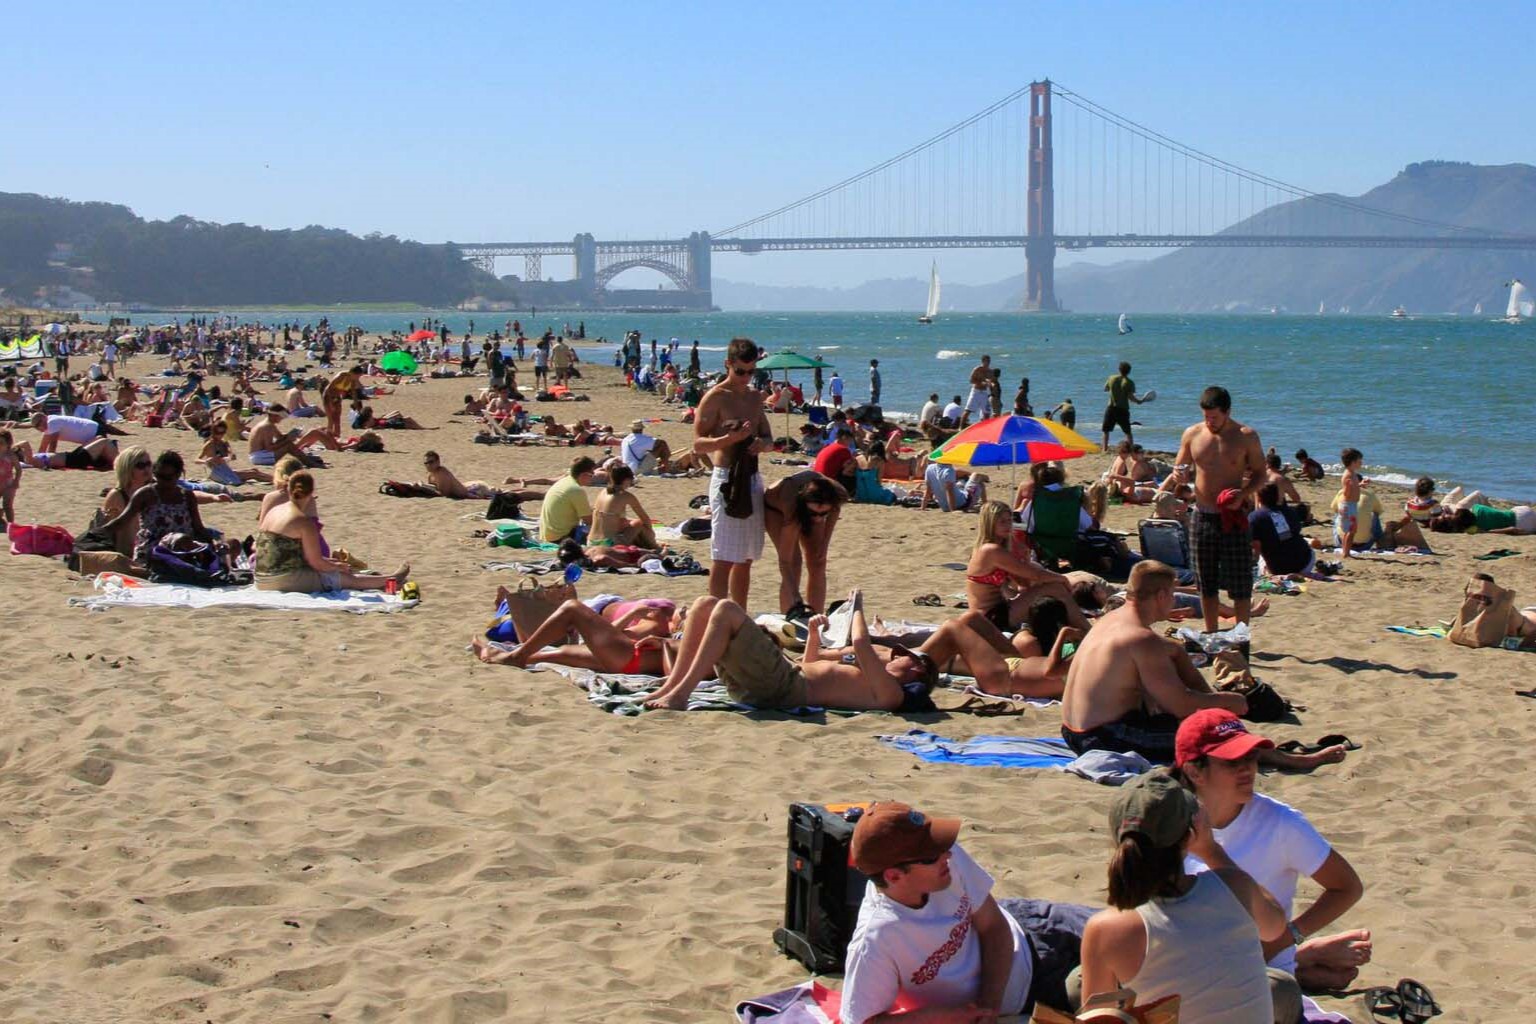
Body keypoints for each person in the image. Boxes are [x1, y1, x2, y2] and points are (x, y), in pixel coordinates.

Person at [839, 802, 1091, 1024]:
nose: (947, 854)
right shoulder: (876, 940)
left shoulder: (943, 860)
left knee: (1124, 927)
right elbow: (862, 1020)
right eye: (932, 855)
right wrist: (935, 1018)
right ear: (894, 876)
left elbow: (994, 926)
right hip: (1032, 993)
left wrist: (989, 1005)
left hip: (1031, 925)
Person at [1079, 770, 1299, 1024]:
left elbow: (1099, 1019)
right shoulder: (1235, 887)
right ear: (1189, 834)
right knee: (1279, 988)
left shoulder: (1108, 928)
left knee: (1078, 982)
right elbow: (1275, 927)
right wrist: (1211, 849)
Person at [1176, 710, 1373, 993]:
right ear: (1195, 771)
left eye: (1251, 757)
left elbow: (1347, 887)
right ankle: (1306, 961)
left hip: (1256, 973)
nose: (1247, 769)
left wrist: (1289, 936)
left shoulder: (1281, 823)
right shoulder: (1168, 817)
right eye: (1233, 761)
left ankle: (1297, 961)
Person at [1061, 561, 1247, 761]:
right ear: (1161, 596)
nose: (1173, 602)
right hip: (1105, 738)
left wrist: (1178, 653)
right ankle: (1273, 756)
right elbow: (1181, 705)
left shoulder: (1111, 619)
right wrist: (1228, 700)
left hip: (1072, 732)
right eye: (1172, 595)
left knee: (1178, 662)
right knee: (1215, 733)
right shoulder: (1141, 638)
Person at [644, 589, 936, 711]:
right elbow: (811, 661)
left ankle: (681, 694)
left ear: (917, 669)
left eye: (901, 656)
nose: (894, 656)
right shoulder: (873, 679)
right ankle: (672, 686)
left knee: (727, 609)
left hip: (782, 687)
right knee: (705, 603)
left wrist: (855, 607)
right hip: (783, 676)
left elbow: (861, 643)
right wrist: (812, 634)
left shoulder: (891, 694)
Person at [1173, 386, 1265, 634]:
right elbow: (1180, 469)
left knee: (1240, 582)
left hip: (1232, 516)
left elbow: (1260, 474)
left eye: (1214, 417)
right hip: (1202, 514)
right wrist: (1179, 475)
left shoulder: (1246, 436)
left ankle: (1241, 634)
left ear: (1228, 412)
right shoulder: (1193, 434)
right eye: (1206, 416)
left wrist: (1244, 495)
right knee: (1206, 582)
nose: (1209, 422)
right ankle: (1211, 632)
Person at [693, 338, 773, 606]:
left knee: (746, 557)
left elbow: (769, 438)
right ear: (728, 364)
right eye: (740, 371)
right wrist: (729, 439)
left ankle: (739, 613)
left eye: (751, 372)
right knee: (724, 556)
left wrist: (761, 444)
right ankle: (716, 613)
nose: (745, 377)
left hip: (750, 477)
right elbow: (698, 444)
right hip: (727, 477)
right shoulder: (715, 397)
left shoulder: (754, 397)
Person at [255, 471, 408, 592]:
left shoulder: (274, 511)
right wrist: (338, 567)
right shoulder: (303, 521)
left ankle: (382, 579)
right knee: (346, 579)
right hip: (281, 580)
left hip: (260, 578)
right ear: (311, 493)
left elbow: (290, 552)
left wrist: (332, 563)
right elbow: (316, 563)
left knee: (335, 568)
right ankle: (392, 578)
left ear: (288, 489)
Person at [472, 589, 678, 673]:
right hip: (629, 660)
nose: (683, 612)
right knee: (560, 653)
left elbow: (674, 672)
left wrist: (665, 646)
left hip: (628, 657)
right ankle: (506, 655)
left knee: (572, 608)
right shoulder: (688, 639)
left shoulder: (659, 627)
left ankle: (516, 655)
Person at [966, 501, 1087, 632]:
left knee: (1048, 591)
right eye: (1002, 522)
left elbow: (1024, 582)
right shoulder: (991, 550)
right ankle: (1087, 631)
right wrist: (1062, 579)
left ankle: (1074, 630)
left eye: (1009, 520)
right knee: (1056, 588)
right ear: (990, 524)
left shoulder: (992, 549)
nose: (1008, 525)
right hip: (990, 617)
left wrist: (1025, 560)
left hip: (998, 610)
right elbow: (1037, 575)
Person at [97, 451, 223, 570]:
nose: (163, 482)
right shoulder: (146, 494)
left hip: (183, 550)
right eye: (159, 476)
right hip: (154, 552)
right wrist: (95, 535)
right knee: (180, 540)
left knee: (227, 544)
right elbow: (122, 520)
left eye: (168, 478)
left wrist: (213, 543)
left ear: (179, 475)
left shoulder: (187, 496)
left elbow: (198, 527)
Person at [763, 471, 847, 616]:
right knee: (794, 562)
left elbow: (834, 510)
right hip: (775, 508)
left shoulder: (837, 493)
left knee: (818, 562)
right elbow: (784, 561)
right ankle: (789, 615)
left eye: (823, 514)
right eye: (814, 513)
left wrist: (824, 545)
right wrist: (795, 595)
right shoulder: (791, 506)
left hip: (810, 500)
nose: (818, 519)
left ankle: (816, 616)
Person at [421, 451, 543, 502]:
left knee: (510, 494)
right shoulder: (431, 475)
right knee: (508, 493)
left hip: (476, 490)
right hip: (470, 487)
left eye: (431, 462)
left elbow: (445, 493)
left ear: (438, 462)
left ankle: (542, 495)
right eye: (426, 463)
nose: (429, 465)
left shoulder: (442, 472)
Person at [1250, 484, 1315, 576]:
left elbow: (1256, 548)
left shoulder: (1255, 517)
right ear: (1278, 497)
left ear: (1259, 498)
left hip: (1278, 569)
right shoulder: (1289, 511)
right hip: (1305, 563)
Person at [589, 465, 658, 548]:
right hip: (607, 543)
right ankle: (655, 547)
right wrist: (651, 534)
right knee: (638, 523)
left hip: (590, 542)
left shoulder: (603, 492)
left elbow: (610, 517)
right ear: (626, 480)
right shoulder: (626, 496)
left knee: (630, 524)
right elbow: (645, 518)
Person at [248, 406, 338, 467]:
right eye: (280, 416)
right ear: (274, 415)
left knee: (288, 444)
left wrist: (291, 434)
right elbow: (270, 448)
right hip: (259, 457)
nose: (281, 419)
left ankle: (308, 460)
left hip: (259, 455)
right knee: (288, 446)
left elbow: (280, 438)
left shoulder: (269, 424)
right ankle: (311, 463)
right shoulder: (267, 426)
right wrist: (288, 440)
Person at [537, 456, 597, 543]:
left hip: (547, 534)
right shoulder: (576, 490)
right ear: (583, 474)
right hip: (560, 538)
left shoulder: (565, 481)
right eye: (591, 474)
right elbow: (588, 520)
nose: (592, 478)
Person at [1101, 361, 1143, 451]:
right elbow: (1130, 397)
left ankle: (1104, 449)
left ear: (1119, 369)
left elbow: (1105, 389)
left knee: (1106, 430)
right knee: (1127, 432)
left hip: (1111, 408)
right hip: (1123, 409)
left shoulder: (1111, 378)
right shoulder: (1129, 382)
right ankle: (1131, 450)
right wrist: (1138, 401)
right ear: (1129, 371)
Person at [1334, 448, 1364, 559]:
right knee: (1351, 530)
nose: (1361, 463)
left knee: (1351, 530)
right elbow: (1346, 494)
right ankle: (1345, 552)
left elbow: (1354, 488)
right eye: (1359, 460)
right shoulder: (1348, 475)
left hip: (1351, 505)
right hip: (1348, 505)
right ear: (1353, 462)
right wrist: (1348, 487)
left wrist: (1360, 484)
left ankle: (1346, 551)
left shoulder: (1352, 474)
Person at [30, 411, 102, 453]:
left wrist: (49, 459)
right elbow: (43, 447)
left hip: (94, 432)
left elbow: (53, 444)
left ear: (44, 417)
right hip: (93, 429)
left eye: (39, 424)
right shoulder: (49, 423)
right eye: (37, 427)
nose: (39, 428)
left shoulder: (51, 422)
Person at [962, 355, 993, 426]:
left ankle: (986, 428)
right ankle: (960, 427)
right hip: (976, 391)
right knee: (968, 410)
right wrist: (981, 382)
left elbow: (991, 382)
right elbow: (971, 380)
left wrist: (989, 384)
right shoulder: (977, 369)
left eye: (989, 361)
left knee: (987, 413)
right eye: (986, 361)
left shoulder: (990, 371)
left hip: (984, 392)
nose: (988, 363)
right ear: (983, 361)